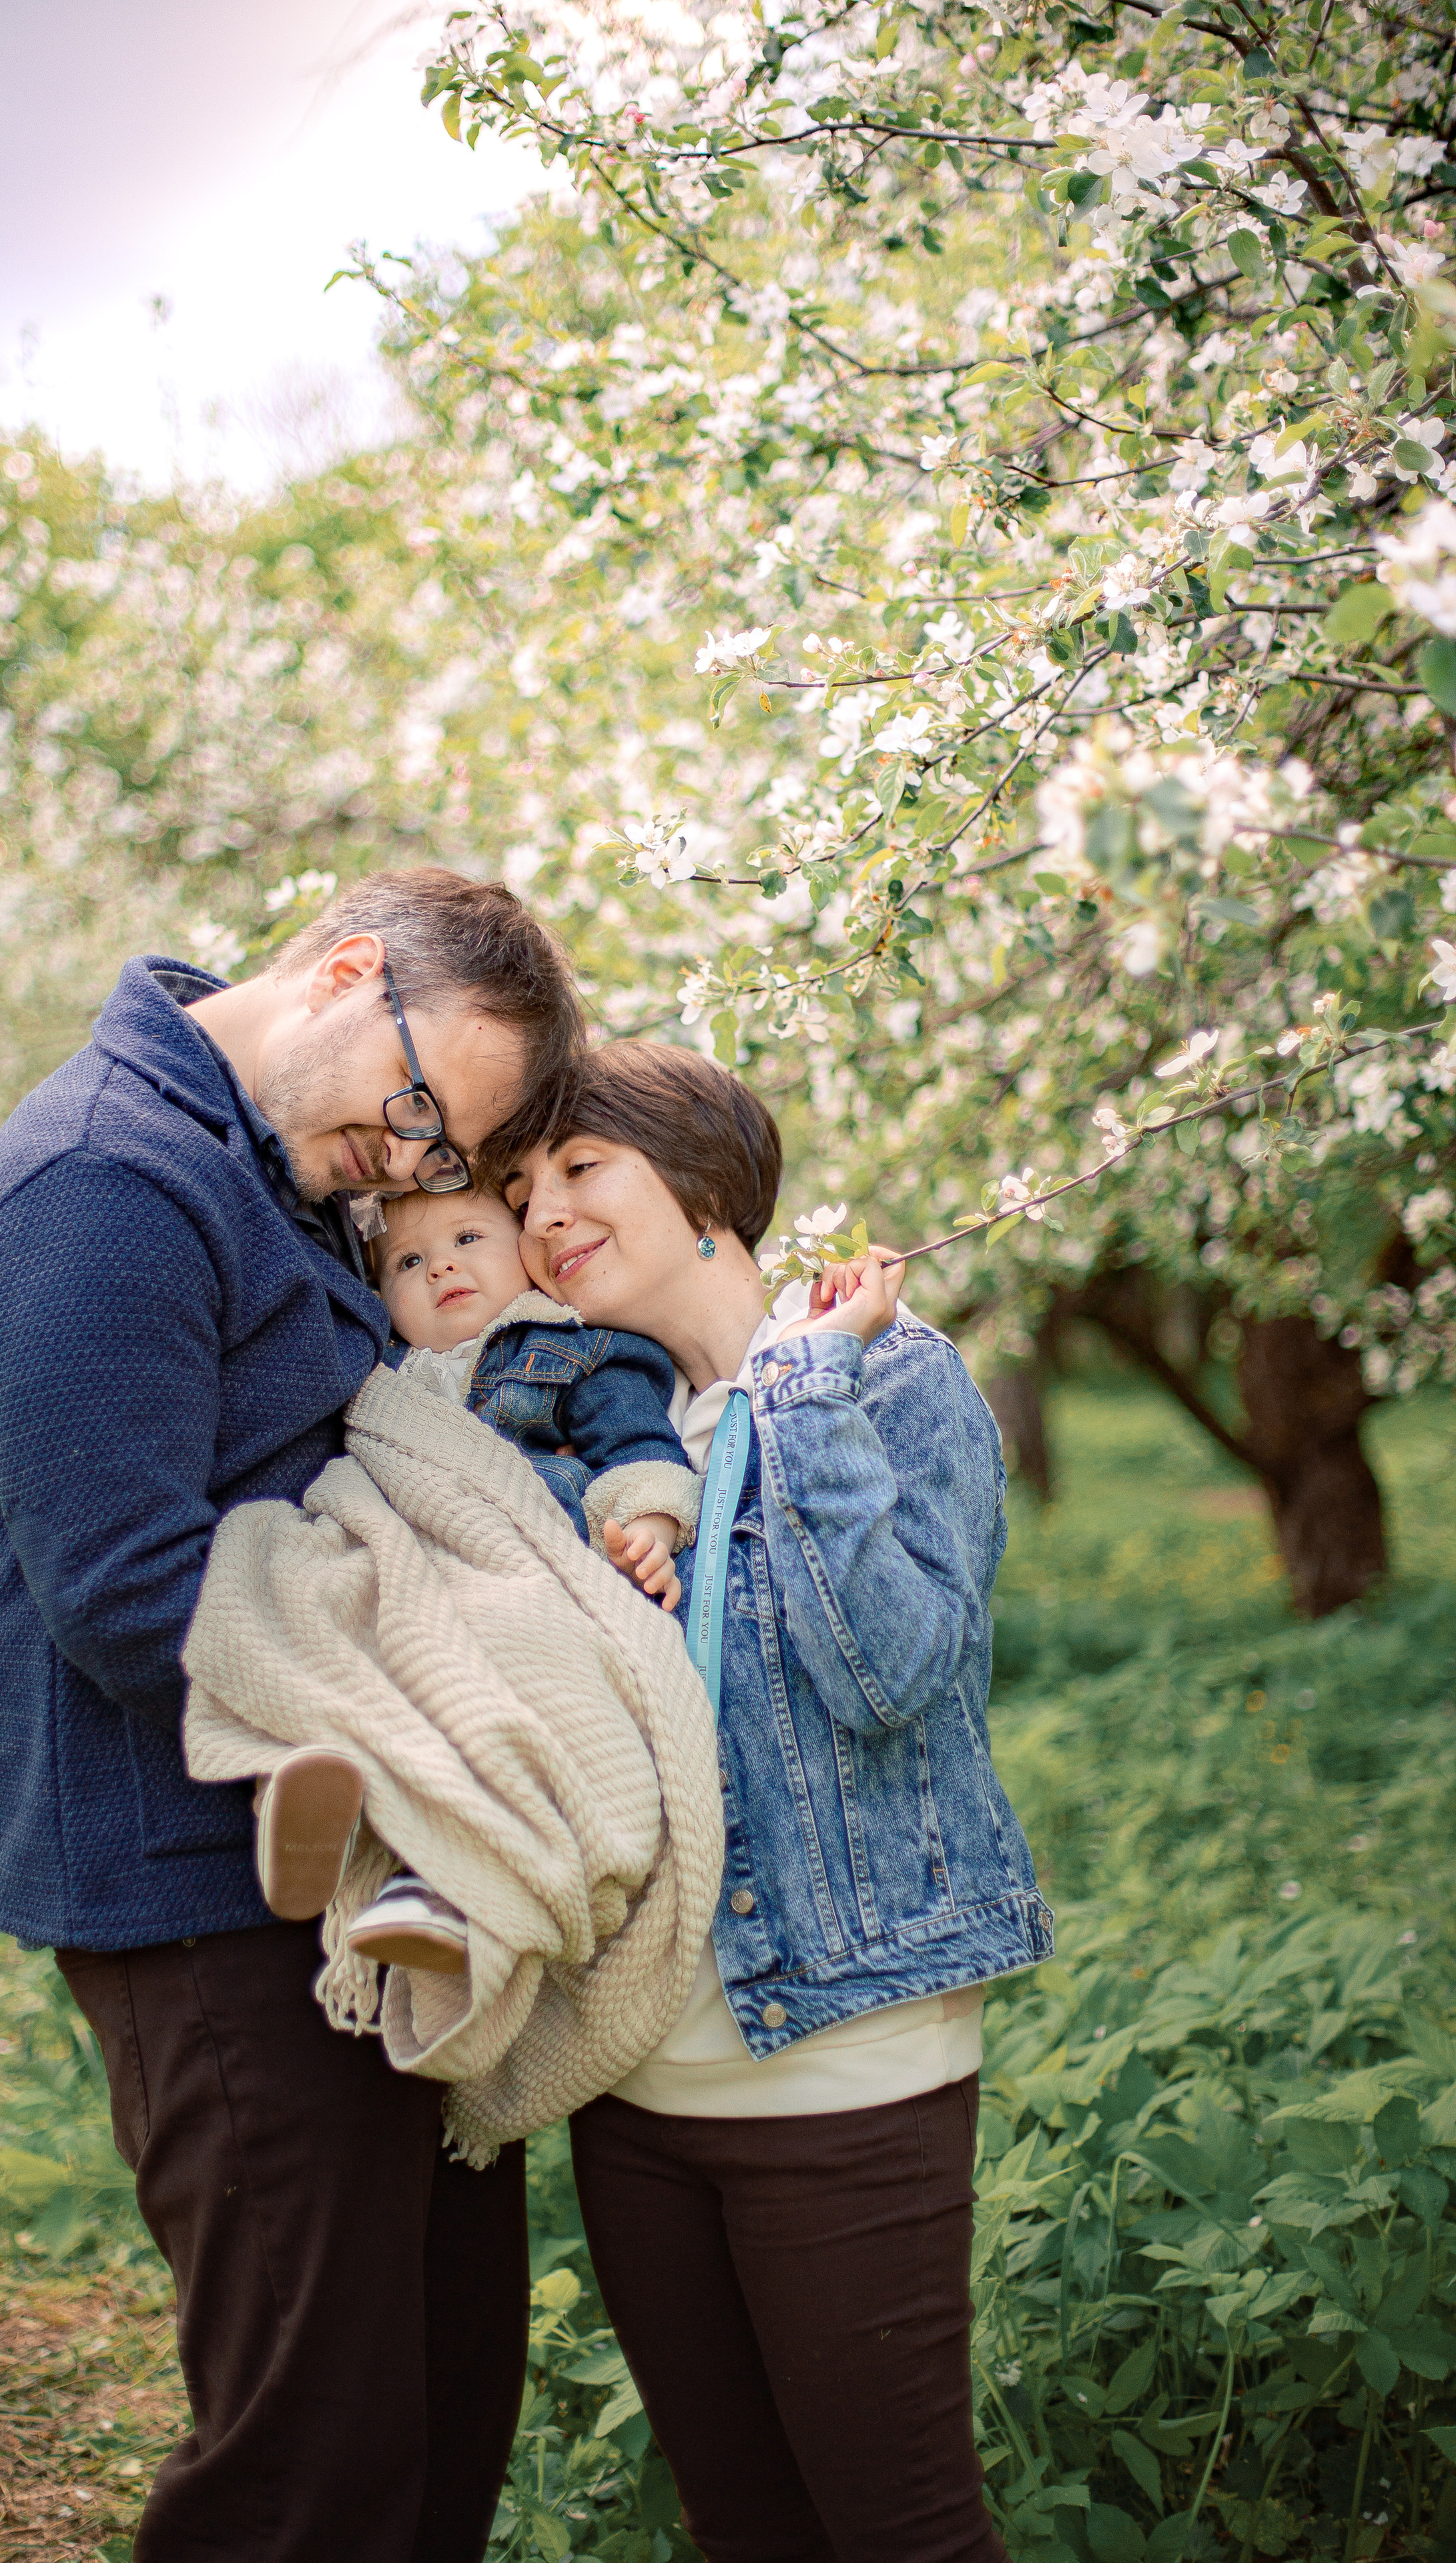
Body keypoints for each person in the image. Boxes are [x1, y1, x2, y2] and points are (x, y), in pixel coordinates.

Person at [0, 868, 585, 2563]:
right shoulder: (104, 1187)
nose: (411, 1166)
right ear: (348, 971)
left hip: (381, 1872)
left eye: (444, 1157)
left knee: (441, 2387)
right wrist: (454, 1714)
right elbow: (131, 1592)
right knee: (311, 2454)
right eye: (419, 1113)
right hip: (211, 1887)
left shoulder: (263, 1157)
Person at [502, 1041, 1055, 2563]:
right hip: (633, 2083)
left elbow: (891, 1674)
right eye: (521, 1187)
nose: (543, 1214)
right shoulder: (584, 1440)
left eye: (580, 1168)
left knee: (901, 2531)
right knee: (742, 2525)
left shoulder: (884, 1376)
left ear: (701, 1182)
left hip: (836, 2068)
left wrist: (799, 1387)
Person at [256, 1178, 701, 1972]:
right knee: (302, 1582)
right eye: (407, 1262)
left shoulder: (569, 1346)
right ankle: (318, 1794)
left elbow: (638, 1448)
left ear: (527, 1253)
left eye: (467, 1239)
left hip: (513, 1577)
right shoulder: (380, 1376)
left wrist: (649, 1526)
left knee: (485, 1711)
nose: (439, 1268)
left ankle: (440, 1889)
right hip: (408, 1568)